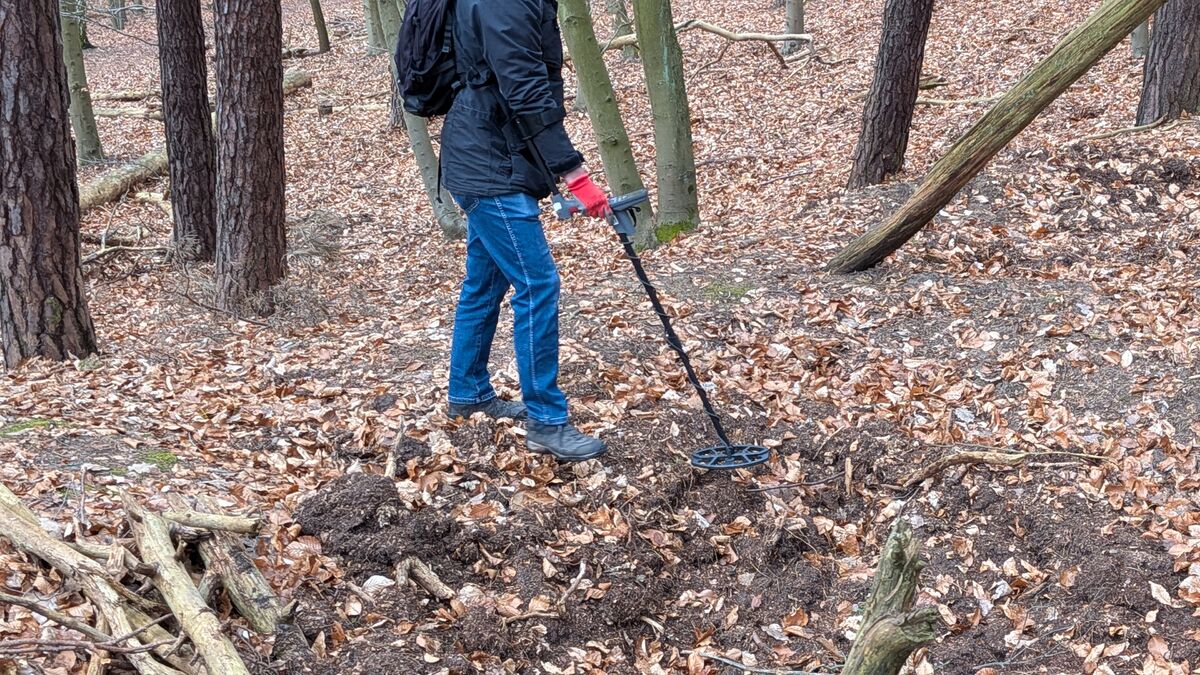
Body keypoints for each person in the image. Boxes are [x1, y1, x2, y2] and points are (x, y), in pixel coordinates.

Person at [440, 0, 611, 462]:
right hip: (488, 166)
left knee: (484, 283)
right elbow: (526, 89)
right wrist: (573, 173)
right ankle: (548, 423)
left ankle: (468, 393)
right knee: (537, 284)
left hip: (491, 155)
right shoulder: (503, 2)